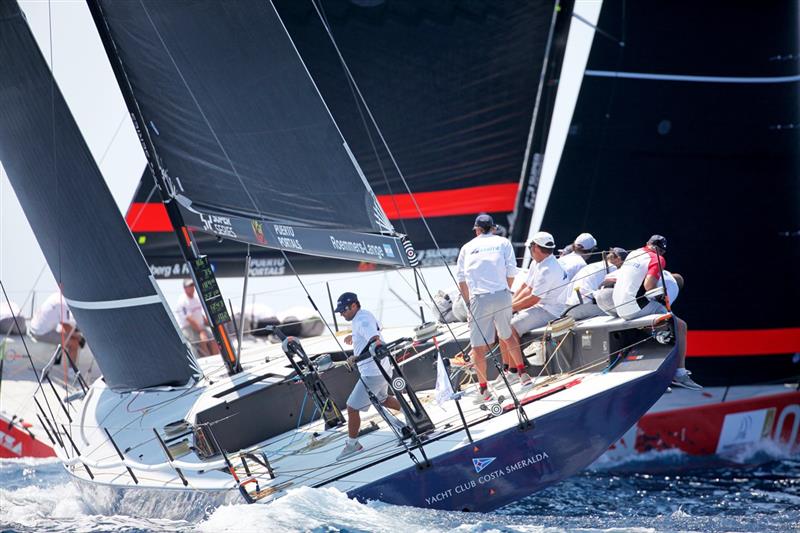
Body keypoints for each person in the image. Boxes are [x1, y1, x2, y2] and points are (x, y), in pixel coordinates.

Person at [612, 236, 700, 390]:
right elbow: (649, 285)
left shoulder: (634, 253)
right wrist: (661, 295)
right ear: (662, 251)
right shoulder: (657, 259)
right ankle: (678, 373)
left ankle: (651, 368)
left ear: (647, 244)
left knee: (656, 320)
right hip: (632, 308)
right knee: (680, 325)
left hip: (616, 305)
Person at [455, 214, 518, 403]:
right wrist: (504, 291)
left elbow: (461, 280)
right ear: (493, 228)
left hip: (478, 300)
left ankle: (484, 391)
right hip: (502, 294)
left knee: (478, 347)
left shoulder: (467, 247)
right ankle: (518, 373)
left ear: (477, 229)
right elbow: (512, 271)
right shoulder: (503, 242)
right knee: (506, 334)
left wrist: (468, 304)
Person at [335, 292, 403, 460]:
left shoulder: (362, 320)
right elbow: (376, 328)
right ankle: (413, 416)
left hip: (373, 373)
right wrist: (356, 336)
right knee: (383, 399)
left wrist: (356, 357)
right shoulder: (364, 316)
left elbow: (375, 340)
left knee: (351, 407)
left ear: (353, 306)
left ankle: (353, 445)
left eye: (343, 310)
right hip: (382, 370)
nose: (342, 314)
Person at [498, 231, 569, 385]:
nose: (529, 250)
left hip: (551, 310)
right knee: (502, 323)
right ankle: (507, 369)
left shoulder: (547, 269)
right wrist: (509, 306)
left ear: (535, 247)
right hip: (540, 305)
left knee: (508, 328)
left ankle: (514, 372)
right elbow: (526, 286)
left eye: (530, 247)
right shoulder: (537, 263)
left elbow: (533, 299)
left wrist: (509, 309)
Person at [565, 247, 627, 320]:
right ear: (618, 259)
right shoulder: (612, 268)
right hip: (585, 307)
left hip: (569, 308)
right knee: (622, 311)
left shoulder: (591, 265)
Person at [29, 291, 84, 365]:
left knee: (64, 332)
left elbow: (64, 324)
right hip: (41, 333)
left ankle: (58, 359)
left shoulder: (56, 296)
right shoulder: (64, 303)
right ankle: (72, 373)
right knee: (74, 343)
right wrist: (80, 337)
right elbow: (67, 327)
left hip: (33, 328)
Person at [175, 279, 219, 357]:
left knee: (213, 339)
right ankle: (207, 360)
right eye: (190, 286)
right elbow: (189, 319)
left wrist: (212, 324)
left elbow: (200, 315)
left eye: (193, 285)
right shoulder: (182, 301)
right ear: (185, 288)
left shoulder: (196, 299)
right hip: (189, 328)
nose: (193, 287)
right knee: (203, 340)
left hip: (200, 326)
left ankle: (216, 358)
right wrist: (201, 331)